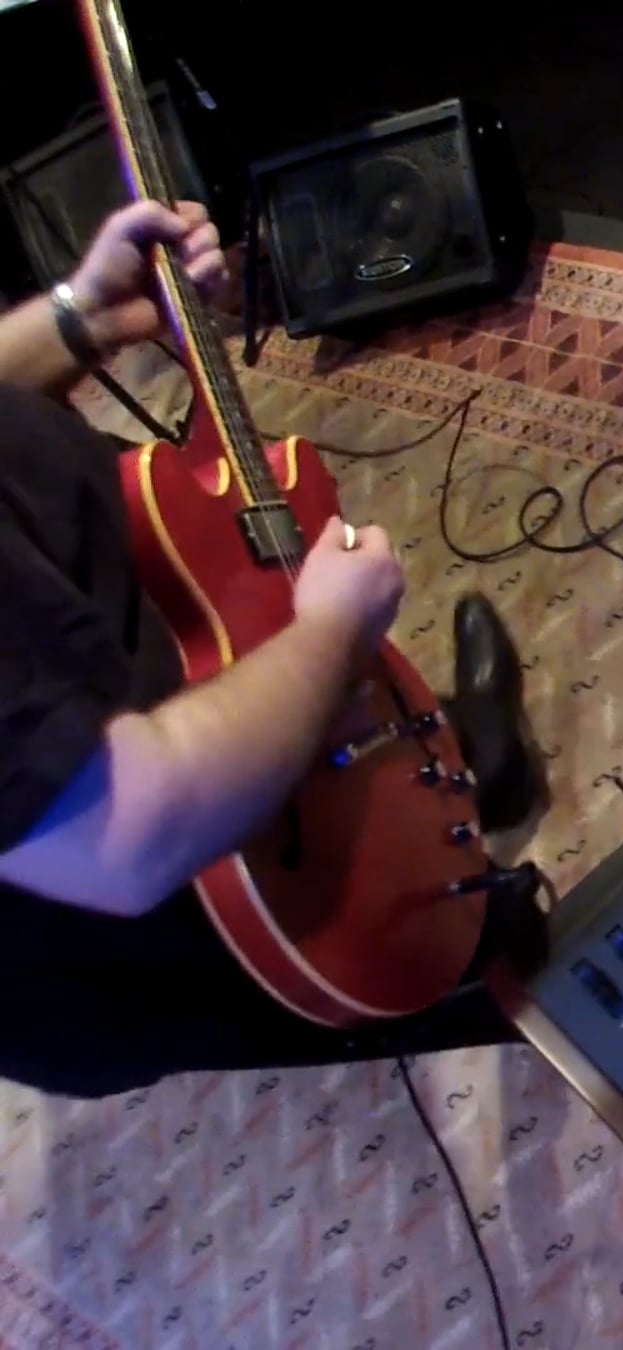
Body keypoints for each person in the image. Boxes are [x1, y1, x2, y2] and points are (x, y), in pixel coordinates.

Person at [0, 201, 535, 1098]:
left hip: (125, 640)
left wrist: (77, 316)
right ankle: (488, 963)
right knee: (433, 947)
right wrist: (332, 634)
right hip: (140, 908)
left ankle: (467, 762)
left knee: (356, 739)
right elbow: (125, 833)